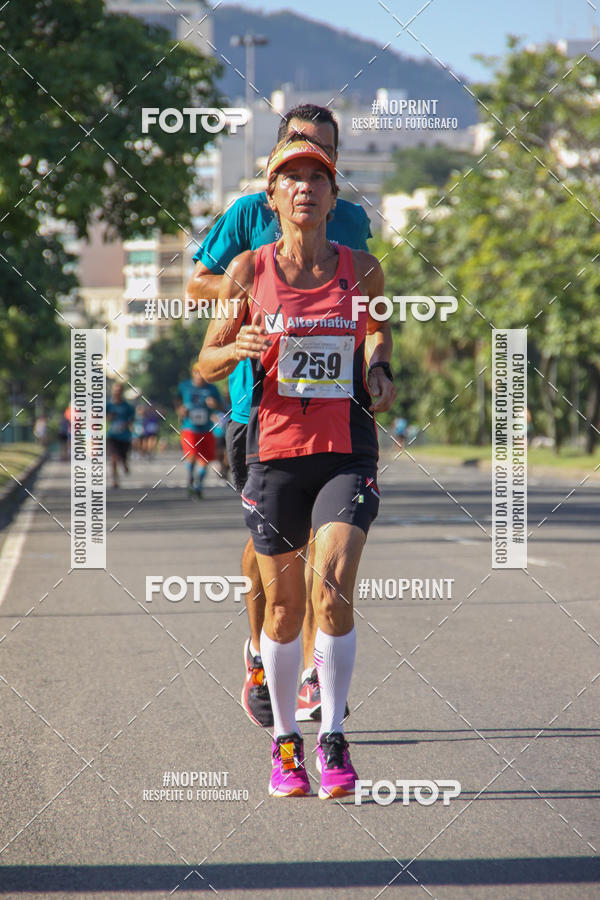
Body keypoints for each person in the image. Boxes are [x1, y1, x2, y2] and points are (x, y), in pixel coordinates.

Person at [198, 135, 396, 798]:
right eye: (292, 178)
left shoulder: (362, 269)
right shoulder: (248, 272)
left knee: (332, 583)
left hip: (347, 446)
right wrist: (237, 348)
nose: (305, 186)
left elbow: (377, 328)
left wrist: (377, 365)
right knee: (282, 608)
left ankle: (333, 737)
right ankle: (287, 744)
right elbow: (205, 359)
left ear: (333, 196)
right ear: (274, 195)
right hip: (274, 448)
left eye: (318, 178)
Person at [176, 363, 223, 498]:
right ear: (193, 373)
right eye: (197, 373)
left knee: (204, 459)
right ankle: (190, 478)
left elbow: (221, 407)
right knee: (191, 455)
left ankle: (198, 485)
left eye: (203, 373)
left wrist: (215, 405)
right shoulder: (184, 386)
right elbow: (177, 402)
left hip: (206, 429)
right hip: (190, 428)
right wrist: (180, 410)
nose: (200, 376)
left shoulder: (212, 389)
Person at [106, 383, 135, 488]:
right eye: (115, 390)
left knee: (123, 457)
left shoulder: (127, 406)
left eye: (119, 390)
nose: (117, 392)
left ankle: (124, 463)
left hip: (124, 436)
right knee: (113, 458)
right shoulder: (108, 405)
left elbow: (132, 418)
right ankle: (115, 479)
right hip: (112, 435)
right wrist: (108, 417)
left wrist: (126, 424)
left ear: (121, 392)